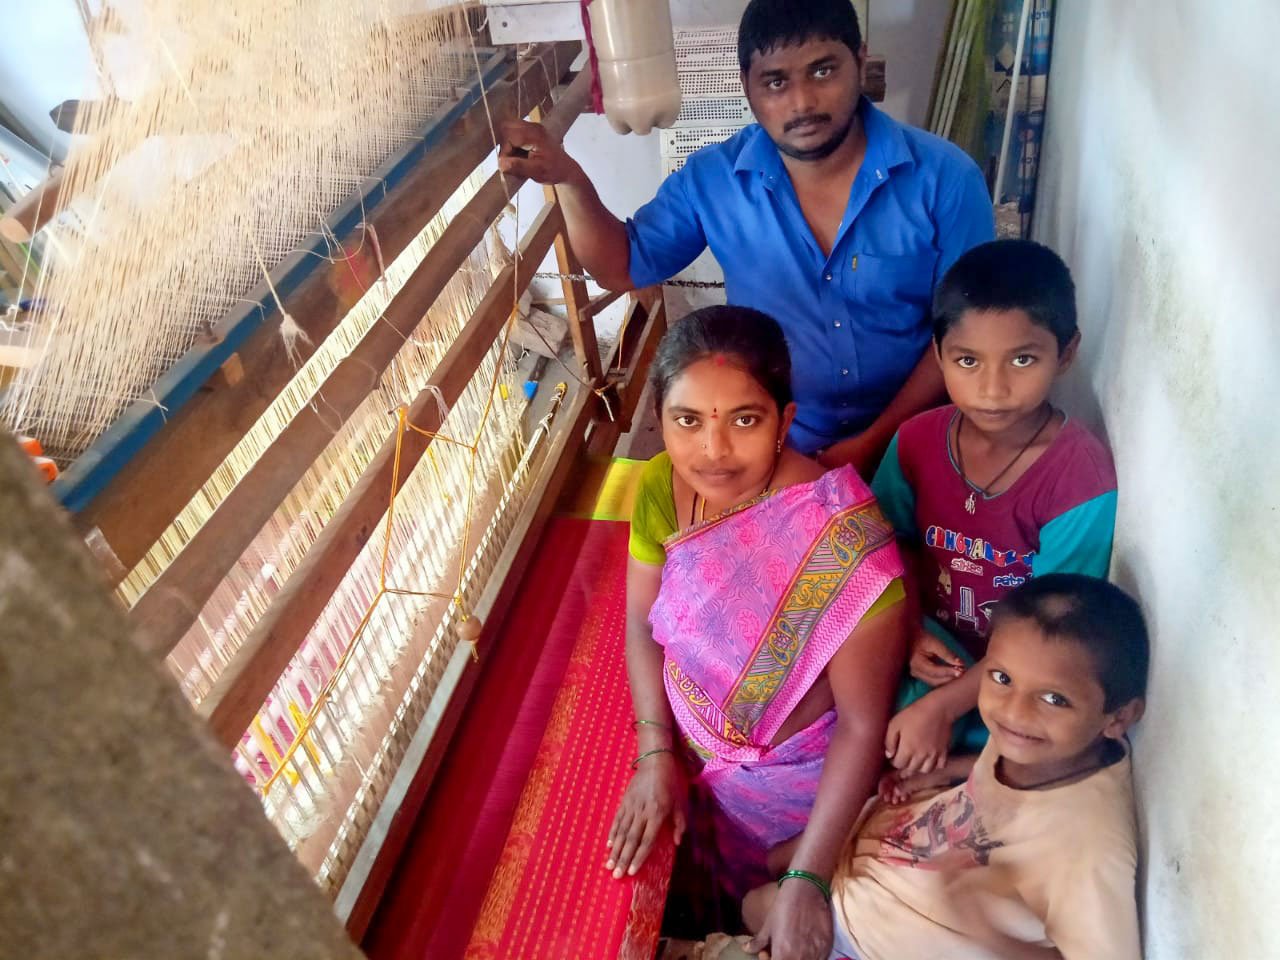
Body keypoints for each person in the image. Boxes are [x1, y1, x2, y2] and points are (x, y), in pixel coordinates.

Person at [498, 0, 994, 474]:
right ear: (747, 87)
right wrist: (569, 179)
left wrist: (874, 443)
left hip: (923, 433)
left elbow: (965, 336)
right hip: (779, 439)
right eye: (775, 82)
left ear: (860, 63)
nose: (801, 102)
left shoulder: (945, 181)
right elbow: (622, 266)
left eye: (823, 71)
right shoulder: (715, 181)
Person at [609, 305, 906, 960]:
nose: (712, 453)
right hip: (699, 765)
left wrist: (808, 876)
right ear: (659, 418)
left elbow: (862, 723)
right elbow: (639, 619)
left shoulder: (844, 538)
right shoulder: (661, 484)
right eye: (687, 421)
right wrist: (656, 752)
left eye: (745, 420)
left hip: (802, 790)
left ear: (785, 422)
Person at [741, 574, 1148, 960]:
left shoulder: (1090, 846)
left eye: (1054, 699)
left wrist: (991, 936)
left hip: (875, 941)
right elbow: (1010, 781)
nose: (1013, 711)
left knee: (757, 906)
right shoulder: (1048, 749)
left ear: (1118, 717)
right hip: (891, 859)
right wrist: (945, 772)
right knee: (775, 862)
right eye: (1002, 678)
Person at [871, 239, 1118, 778]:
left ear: (1067, 352)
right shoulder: (916, 441)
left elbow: (1053, 630)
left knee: (1031, 747)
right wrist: (910, 628)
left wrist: (944, 707)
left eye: (1023, 359)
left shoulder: (1078, 478)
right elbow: (893, 547)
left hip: (1014, 681)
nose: (993, 389)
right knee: (851, 709)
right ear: (938, 357)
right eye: (966, 361)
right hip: (925, 647)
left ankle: (956, 766)